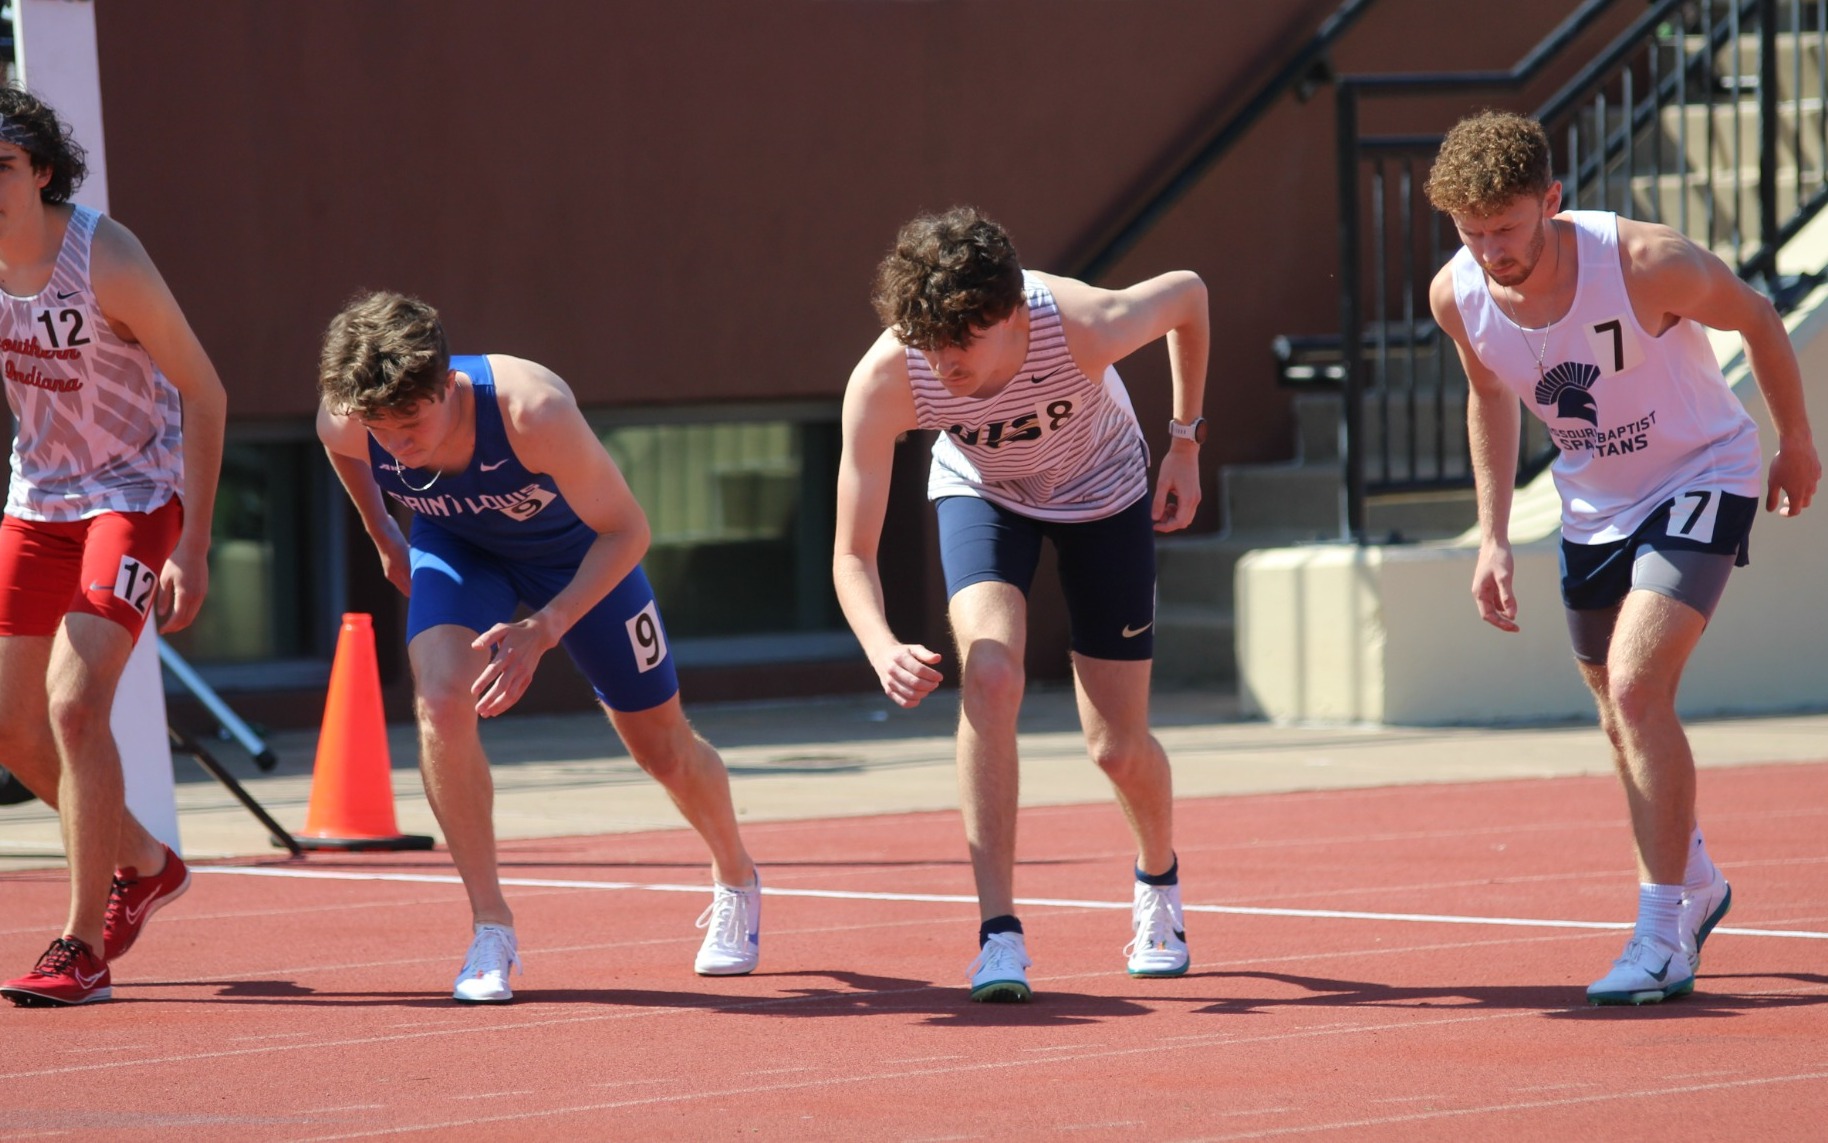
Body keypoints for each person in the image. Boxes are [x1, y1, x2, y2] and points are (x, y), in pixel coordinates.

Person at [1425, 110, 1820, 1005]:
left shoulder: (1643, 261)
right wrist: (1491, 533)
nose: (1491, 250)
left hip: (1702, 470)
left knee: (1640, 689)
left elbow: (1757, 317)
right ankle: (1699, 879)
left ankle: (1662, 933)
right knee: (1614, 713)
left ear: (1551, 201)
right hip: (1592, 503)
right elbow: (1487, 393)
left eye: (1507, 229)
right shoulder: (1459, 292)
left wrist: (1795, 440)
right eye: (1472, 232)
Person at [316, 291, 762, 1003]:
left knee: (662, 747)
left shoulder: (532, 409)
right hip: (460, 548)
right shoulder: (350, 414)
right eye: (381, 428)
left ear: (447, 384)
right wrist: (384, 536)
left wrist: (545, 627)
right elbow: (341, 446)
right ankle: (490, 925)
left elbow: (629, 530)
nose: (395, 444)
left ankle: (735, 873)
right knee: (439, 698)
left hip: (579, 558)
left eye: (410, 423)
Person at [834, 206, 1208, 1002]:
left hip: (1105, 493)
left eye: (959, 341)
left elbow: (1189, 296)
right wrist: (879, 644)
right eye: (923, 340)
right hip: (985, 495)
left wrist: (1185, 442)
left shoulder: (1080, 323)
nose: (940, 363)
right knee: (993, 674)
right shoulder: (888, 378)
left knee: (1116, 746)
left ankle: (1158, 880)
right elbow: (851, 554)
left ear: (1008, 317)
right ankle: (998, 933)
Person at [0, 87, 226, 1007]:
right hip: (39, 499)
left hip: (134, 495)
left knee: (75, 705)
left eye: (1, 169)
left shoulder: (106, 255)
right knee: (13, 728)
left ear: (41, 172)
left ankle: (79, 945)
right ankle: (142, 859)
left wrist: (198, 543)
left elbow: (205, 392)